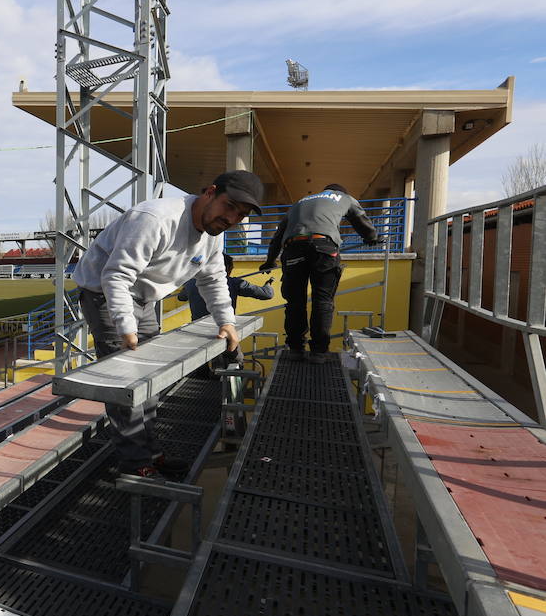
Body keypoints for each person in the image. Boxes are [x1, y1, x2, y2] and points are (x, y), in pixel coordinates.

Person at [73, 170, 265, 478]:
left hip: (145, 298)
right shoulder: (155, 219)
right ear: (210, 192)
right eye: (229, 206)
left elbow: (214, 279)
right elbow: (116, 277)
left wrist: (226, 322)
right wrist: (125, 327)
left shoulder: (214, 234)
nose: (232, 218)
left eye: (240, 215)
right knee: (125, 384)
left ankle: (152, 451)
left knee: (151, 380)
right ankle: (135, 467)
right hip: (106, 295)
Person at [260, 183, 380, 364]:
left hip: (293, 248)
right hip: (323, 247)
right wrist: (372, 238)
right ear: (340, 191)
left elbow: (277, 237)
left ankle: (296, 349)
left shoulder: (299, 202)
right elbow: (360, 218)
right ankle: (318, 352)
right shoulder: (344, 198)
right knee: (322, 300)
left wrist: (270, 262)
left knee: (295, 302)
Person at [178, 253, 274, 322]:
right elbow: (267, 294)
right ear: (226, 268)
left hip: (196, 329)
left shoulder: (191, 283)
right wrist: (268, 284)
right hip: (223, 329)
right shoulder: (234, 283)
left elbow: (181, 297)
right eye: (231, 268)